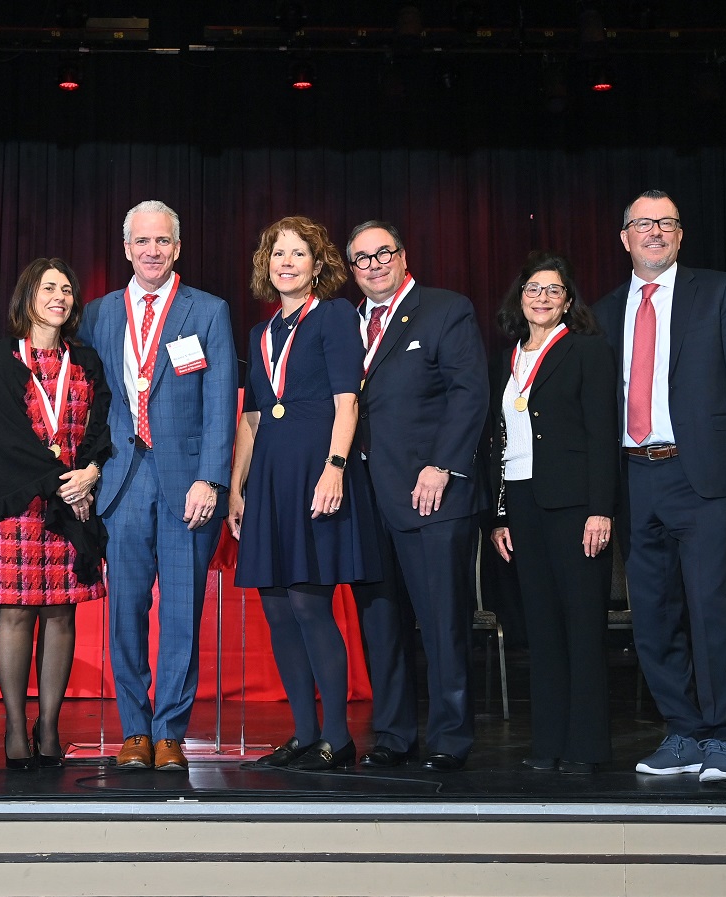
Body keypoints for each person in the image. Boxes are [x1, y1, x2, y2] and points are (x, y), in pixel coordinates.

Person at [593, 190, 726, 783]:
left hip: (700, 475)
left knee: (709, 606)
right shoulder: (605, 309)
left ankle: (722, 736)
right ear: (625, 237)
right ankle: (682, 730)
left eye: (665, 223)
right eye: (642, 224)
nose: (654, 233)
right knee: (650, 614)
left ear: (679, 235)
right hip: (633, 478)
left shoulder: (719, 290)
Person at [76, 200, 236, 772]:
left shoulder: (208, 311)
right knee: (125, 611)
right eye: (142, 242)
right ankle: (134, 729)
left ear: (177, 247)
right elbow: (88, 401)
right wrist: (87, 472)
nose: (152, 251)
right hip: (121, 482)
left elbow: (222, 405)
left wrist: (211, 479)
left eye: (162, 241)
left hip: (187, 484)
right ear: (126, 248)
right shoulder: (97, 313)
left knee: (182, 615)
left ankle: (170, 729)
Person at [227, 216, 380, 771]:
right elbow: (251, 417)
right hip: (269, 477)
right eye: (277, 254)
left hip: (316, 469)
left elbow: (348, 401)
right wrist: (237, 486)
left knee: (308, 603)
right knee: (276, 609)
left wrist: (335, 468)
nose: (285, 262)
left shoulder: (335, 316)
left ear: (318, 265)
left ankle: (337, 739)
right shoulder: (261, 332)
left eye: (298, 253)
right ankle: (303, 731)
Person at [346, 220, 489, 772]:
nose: (375, 264)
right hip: (366, 500)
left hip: (433, 495)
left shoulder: (445, 309)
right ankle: (393, 735)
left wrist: (444, 466)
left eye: (384, 253)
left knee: (443, 621)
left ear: (404, 256)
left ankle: (451, 739)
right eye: (362, 259)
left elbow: (469, 393)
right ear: (352, 270)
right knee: (382, 624)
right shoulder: (347, 322)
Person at [0, 258, 112, 769]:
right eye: (49, 288)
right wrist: (61, 483)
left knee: (61, 612)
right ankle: (12, 728)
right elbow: (4, 436)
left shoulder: (86, 359)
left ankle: (48, 726)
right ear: (27, 295)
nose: (60, 297)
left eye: (67, 290)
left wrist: (88, 473)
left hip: (73, 505)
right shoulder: (0, 357)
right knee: (16, 612)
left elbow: (101, 426)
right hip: (18, 506)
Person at [488, 251, 618, 775]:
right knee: (540, 629)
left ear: (568, 300)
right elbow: (500, 443)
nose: (542, 297)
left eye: (553, 290)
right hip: (522, 503)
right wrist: (499, 515)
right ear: (519, 299)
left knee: (582, 627)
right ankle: (548, 744)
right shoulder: (510, 356)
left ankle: (585, 747)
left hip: (574, 507)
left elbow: (602, 437)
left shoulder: (586, 349)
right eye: (532, 289)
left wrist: (600, 510)